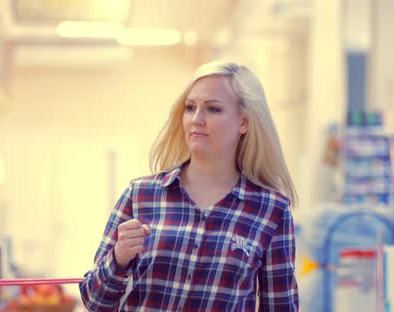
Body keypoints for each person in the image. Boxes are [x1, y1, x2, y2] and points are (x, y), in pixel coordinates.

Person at [79, 61, 299, 311]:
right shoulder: (141, 195)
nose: (197, 119)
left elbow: (281, 307)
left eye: (213, 109)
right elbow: (94, 302)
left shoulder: (271, 210)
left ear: (244, 123)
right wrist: (118, 258)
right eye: (190, 107)